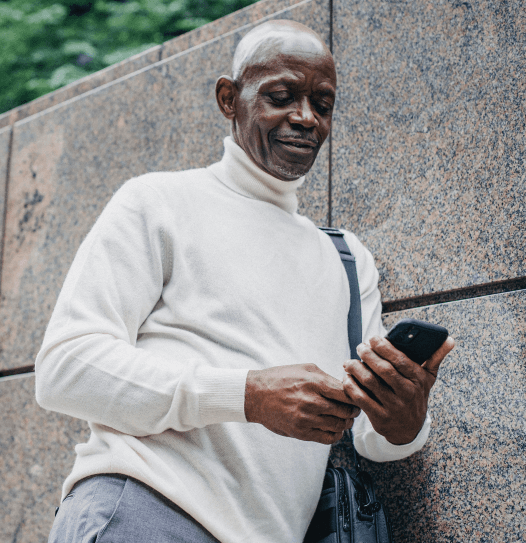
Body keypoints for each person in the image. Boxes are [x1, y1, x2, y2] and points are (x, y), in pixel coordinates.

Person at [35, 20, 454, 543]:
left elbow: (372, 438)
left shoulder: (347, 259)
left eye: (322, 105)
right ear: (229, 99)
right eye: (281, 96)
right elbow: (65, 368)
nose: (305, 118)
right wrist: (248, 394)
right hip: (146, 510)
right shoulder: (157, 203)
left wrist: (405, 419)